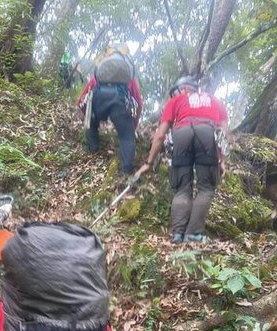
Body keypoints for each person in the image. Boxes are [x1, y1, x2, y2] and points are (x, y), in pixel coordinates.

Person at [137, 76, 228, 243]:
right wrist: (221, 159)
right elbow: (223, 132)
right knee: (206, 188)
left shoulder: (175, 101)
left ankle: (178, 233)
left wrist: (148, 163)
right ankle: (193, 234)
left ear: (184, 88)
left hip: (181, 133)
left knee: (182, 188)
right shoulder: (215, 101)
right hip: (207, 134)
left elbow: (160, 135)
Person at [77, 46, 143, 175]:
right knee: (126, 136)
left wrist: (88, 116)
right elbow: (138, 102)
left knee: (91, 120)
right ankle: (126, 170)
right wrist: (133, 124)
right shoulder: (129, 79)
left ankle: (93, 150)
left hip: (99, 100)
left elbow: (82, 99)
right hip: (120, 102)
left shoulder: (100, 75)